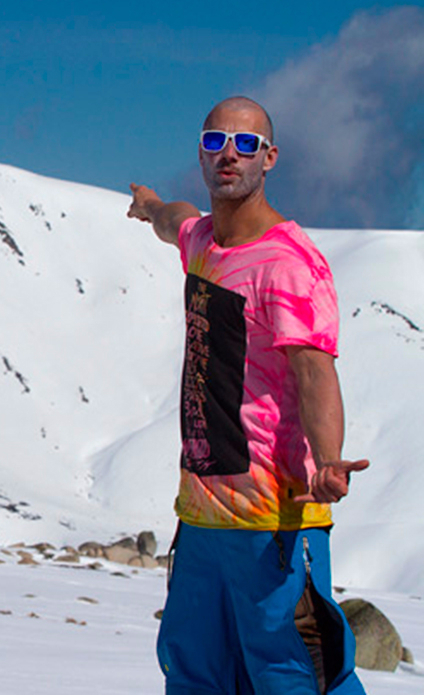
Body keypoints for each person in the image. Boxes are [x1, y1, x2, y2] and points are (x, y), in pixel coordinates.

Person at [127, 96, 370, 694]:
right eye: (215, 142)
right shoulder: (204, 242)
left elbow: (314, 370)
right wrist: (151, 205)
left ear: (270, 158)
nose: (229, 154)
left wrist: (329, 455)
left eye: (246, 144)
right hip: (203, 514)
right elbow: (175, 220)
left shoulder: (289, 264)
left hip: (275, 522)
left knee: (291, 675)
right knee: (193, 673)